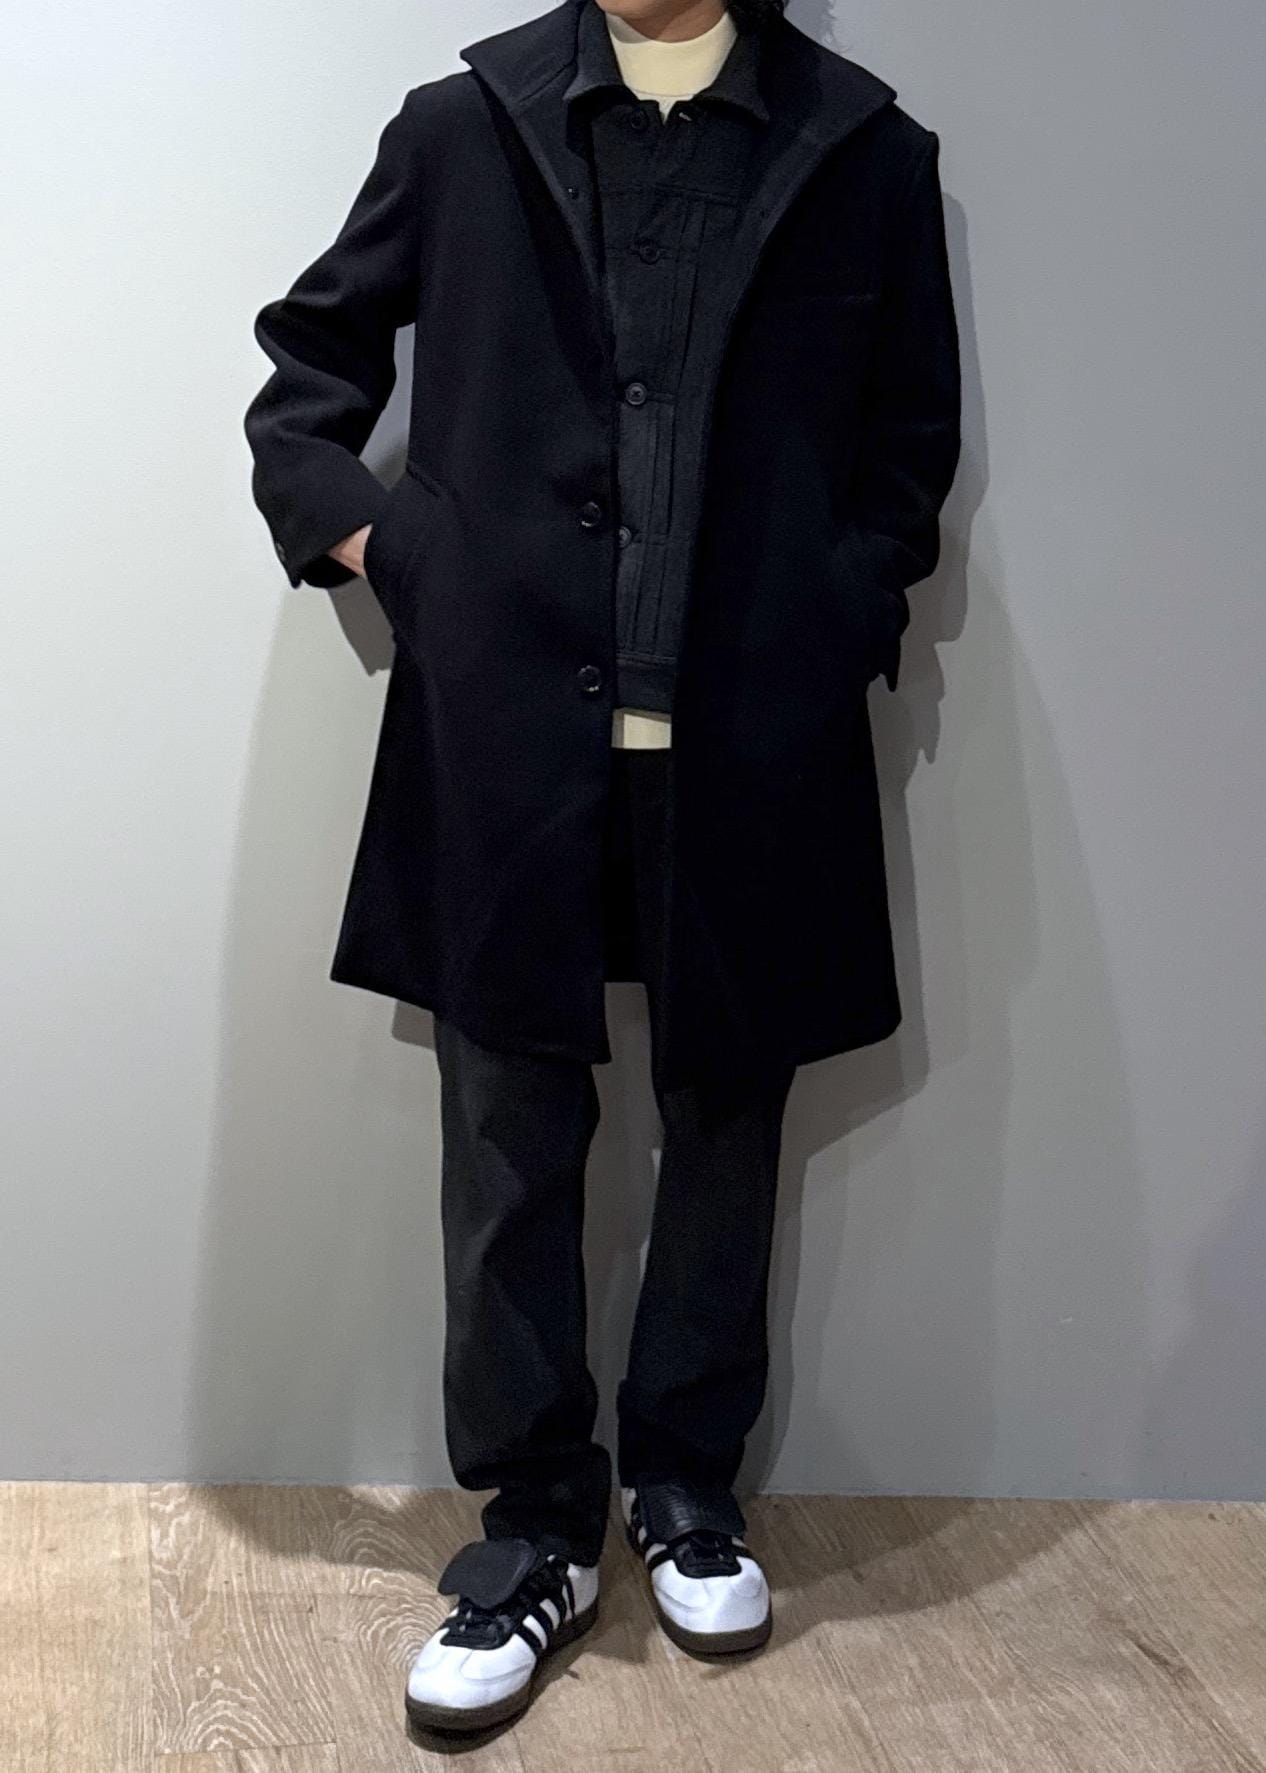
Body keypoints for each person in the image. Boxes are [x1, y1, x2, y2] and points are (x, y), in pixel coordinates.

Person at [244, 0, 960, 1736]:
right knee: (506, 1131)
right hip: (507, 734)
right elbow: (304, 378)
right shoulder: (463, 125)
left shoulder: (864, 151)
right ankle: (534, 1525)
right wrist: (399, 550)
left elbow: (905, 447)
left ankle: (688, 1485)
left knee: (726, 1116)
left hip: (753, 739)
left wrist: (835, 607)